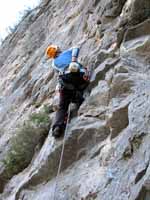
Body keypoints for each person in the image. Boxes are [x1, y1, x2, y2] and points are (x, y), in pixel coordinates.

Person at [46, 45, 89, 138]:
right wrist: (73, 60)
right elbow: (76, 48)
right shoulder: (67, 52)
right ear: (58, 50)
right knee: (78, 87)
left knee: (62, 106)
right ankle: (78, 98)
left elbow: (59, 73)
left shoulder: (54, 63)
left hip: (65, 81)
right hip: (79, 75)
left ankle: (57, 127)